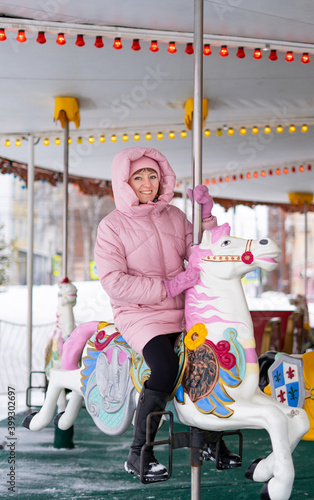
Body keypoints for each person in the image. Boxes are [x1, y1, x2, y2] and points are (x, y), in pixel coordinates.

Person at [94, 146, 240, 481]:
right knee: (165, 366)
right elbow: (115, 282)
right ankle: (139, 453)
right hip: (140, 313)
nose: (147, 183)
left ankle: (209, 439)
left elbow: (202, 252)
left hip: (182, 310)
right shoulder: (112, 226)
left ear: (162, 180)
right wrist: (169, 286)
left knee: (207, 361)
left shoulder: (174, 216)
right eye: (138, 177)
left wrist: (206, 215)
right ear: (125, 181)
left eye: (153, 176)